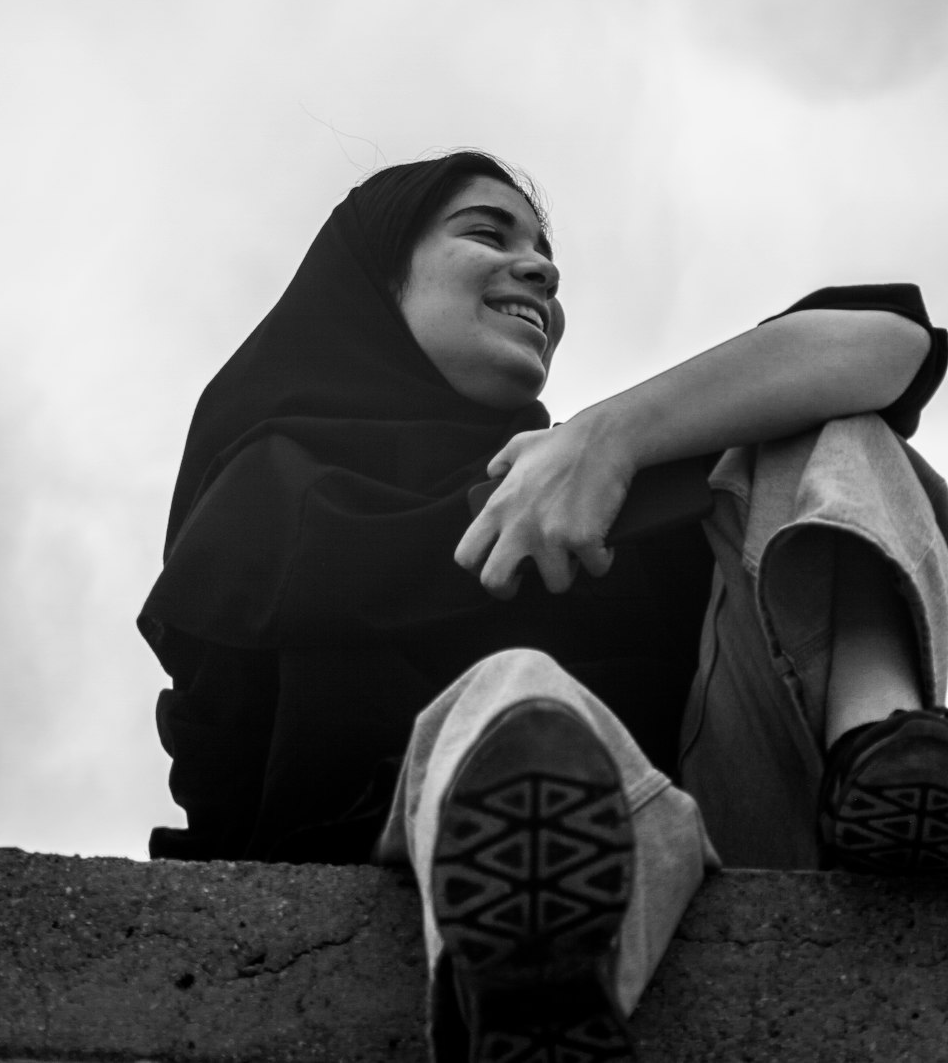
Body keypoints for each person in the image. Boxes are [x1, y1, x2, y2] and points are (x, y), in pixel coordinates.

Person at [139, 150, 948, 1063]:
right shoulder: (266, 490)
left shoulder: (595, 480)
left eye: (546, 252)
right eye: (489, 233)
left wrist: (613, 434)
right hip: (408, 851)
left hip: (741, 821)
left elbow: (890, 346)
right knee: (520, 699)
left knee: (827, 426)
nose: (542, 270)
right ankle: (537, 980)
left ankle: (890, 753)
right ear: (376, 282)